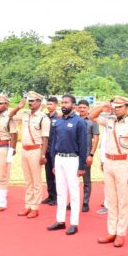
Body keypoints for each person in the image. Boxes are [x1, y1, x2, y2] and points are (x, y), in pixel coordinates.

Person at [91, 96, 128, 247]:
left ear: (126, 107)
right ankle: (111, 231)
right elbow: (91, 116)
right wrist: (102, 107)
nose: (117, 109)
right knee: (111, 199)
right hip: (109, 162)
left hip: (123, 163)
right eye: (115, 106)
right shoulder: (109, 120)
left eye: (120, 107)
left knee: (122, 200)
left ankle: (120, 233)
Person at [47, 95, 87, 235]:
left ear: (74, 105)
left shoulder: (79, 122)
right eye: (62, 102)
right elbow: (53, 144)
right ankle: (60, 221)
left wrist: (82, 166)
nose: (63, 105)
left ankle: (74, 223)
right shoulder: (58, 122)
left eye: (66, 102)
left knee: (74, 192)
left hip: (72, 159)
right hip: (59, 159)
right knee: (61, 191)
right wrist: (53, 162)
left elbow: (83, 145)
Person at [10, 92, 50, 218]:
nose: (30, 103)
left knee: (36, 180)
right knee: (28, 180)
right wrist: (19, 107)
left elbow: (45, 138)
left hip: (36, 150)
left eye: (33, 101)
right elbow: (10, 115)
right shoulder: (25, 114)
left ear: (39, 102)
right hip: (24, 150)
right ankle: (28, 205)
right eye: (29, 100)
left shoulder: (43, 118)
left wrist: (43, 155)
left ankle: (35, 207)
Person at [76, 99, 99, 213]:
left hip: (86, 155)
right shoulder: (74, 119)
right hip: (74, 155)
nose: (82, 109)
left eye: (84, 107)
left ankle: (85, 203)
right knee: (73, 180)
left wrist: (91, 154)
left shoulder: (92, 121)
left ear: (88, 108)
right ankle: (73, 201)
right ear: (77, 108)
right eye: (80, 107)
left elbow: (96, 138)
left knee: (86, 181)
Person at [41, 96, 61, 206]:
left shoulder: (59, 117)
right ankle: (50, 196)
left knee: (56, 174)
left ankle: (57, 197)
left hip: (55, 150)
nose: (49, 107)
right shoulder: (44, 117)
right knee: (48, 174)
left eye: (51, 104)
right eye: (47, 104)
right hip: (46, 149)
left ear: (56, 105)